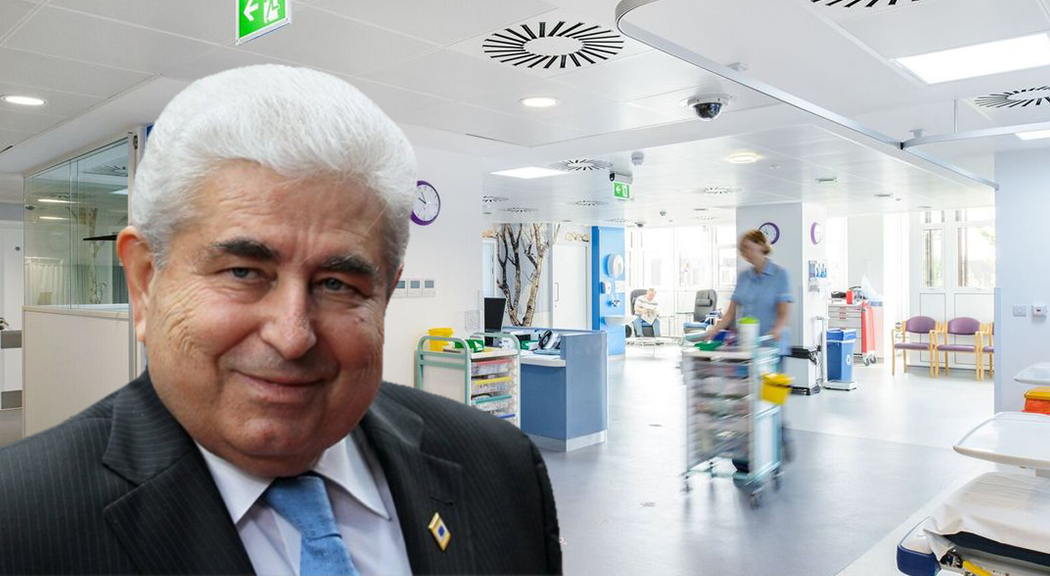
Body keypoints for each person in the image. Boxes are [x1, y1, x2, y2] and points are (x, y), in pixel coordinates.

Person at [0, 66, 561, 576]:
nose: (292, 336)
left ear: (386, 296)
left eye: (337, 284)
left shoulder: (499, 467)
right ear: (145, 282)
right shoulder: (21, 522)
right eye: (243, 272)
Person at [703, 229, 792, 354]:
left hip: (771, 345)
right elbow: (730, 313)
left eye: (748, 247)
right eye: (743, 250)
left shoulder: (780, 274)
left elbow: (783, 313)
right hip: (748, 345)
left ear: (761, 245)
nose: (745, 253)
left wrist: (777, 329)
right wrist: (714, 330)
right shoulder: (743, 276)